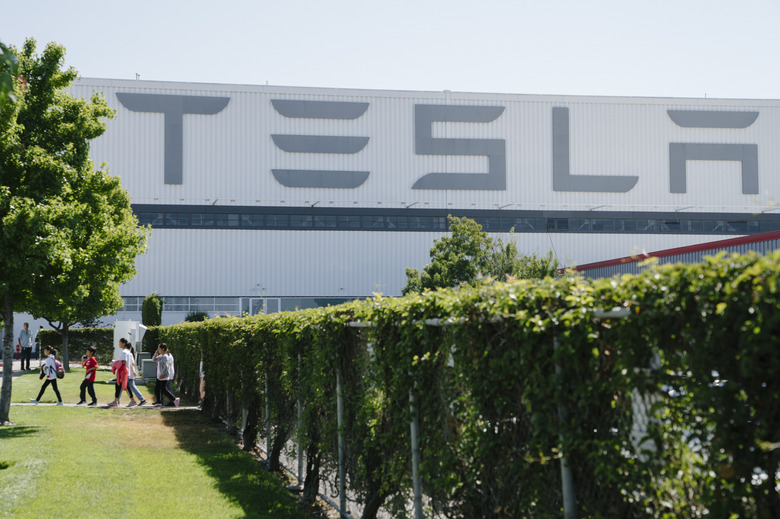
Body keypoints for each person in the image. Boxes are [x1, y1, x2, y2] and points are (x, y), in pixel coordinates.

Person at [152, 343, 178, 407]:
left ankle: (174, 399)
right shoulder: (160, 356)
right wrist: (155, 353)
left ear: (163, 349)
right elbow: (153, 360)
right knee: (157, 388)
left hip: (163, 376)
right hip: (159, 376)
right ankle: (159, 402)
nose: (158, 350)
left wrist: (162, 374)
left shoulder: (165, 356)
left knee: (164, 389)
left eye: (159, 348)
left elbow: (166, 367)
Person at [108, 338, 131, 408]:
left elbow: (124, 361)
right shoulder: (128, 351)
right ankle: (116, 401)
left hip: (123, 372)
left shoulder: (124, 352)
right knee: (123, 386)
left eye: (120, 343)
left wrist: (116, 362)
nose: (119, 344)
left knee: (119, 385)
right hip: (126, 371)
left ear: (123, 343)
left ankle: (116, 401)